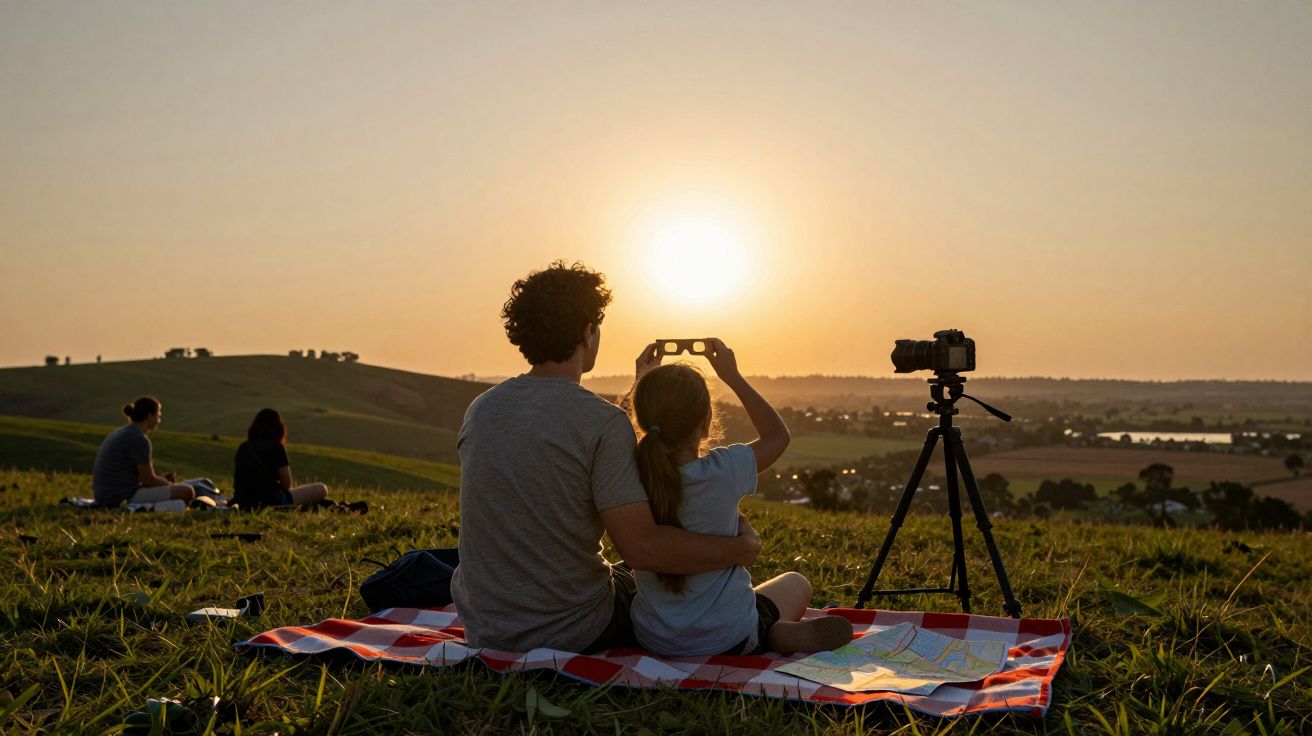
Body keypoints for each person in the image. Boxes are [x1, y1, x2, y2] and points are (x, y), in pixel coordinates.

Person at [450, 261, 762, 654]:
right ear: (587, 332)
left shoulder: (483, 409)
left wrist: (638, 388)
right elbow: (643, 550)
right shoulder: (601, 422)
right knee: (663, 596)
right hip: (570, 630)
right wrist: (741, 550)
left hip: (486, 625)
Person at [627, 339, 853, 656]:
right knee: (796, 583)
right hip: (728, 637)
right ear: (706, 422)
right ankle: (775, 633)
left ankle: (771, 628)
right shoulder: (725, 470)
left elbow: (631, 433)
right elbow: (778, 436)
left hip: (654, 638)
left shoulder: (628, 475)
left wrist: (641, 383)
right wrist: (732, 376)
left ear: (643, 418)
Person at [92, 396, 210, 506]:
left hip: (106, 495)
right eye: (158, 414)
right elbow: (147, 480)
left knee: (179, 489)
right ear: (149, 415)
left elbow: (142, 477)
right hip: (121, 498)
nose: (159, 418)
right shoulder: (138, 438)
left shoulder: (123, 432)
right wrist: (169, 485)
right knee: (187, 491)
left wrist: (160, 479)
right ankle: (160, 508)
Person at [232, 408, 329, 510]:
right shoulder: (276, 447)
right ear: (279, 428)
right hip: (271, 501)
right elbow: (286, 484)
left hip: (242, 501)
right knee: (322, 488)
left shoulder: (244, 447)